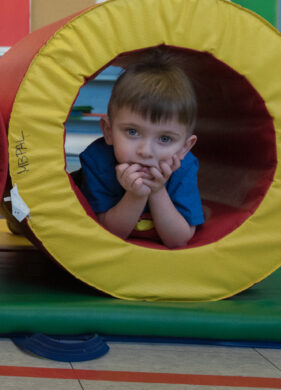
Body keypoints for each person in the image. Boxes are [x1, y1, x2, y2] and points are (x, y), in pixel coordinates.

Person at [78, 51, 203, 248]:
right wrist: (135, 196)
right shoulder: (97, 160)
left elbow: (179, 239)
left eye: (164, 138)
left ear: (184, 148)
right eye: (133, 132)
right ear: (108, 131)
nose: (145, 151)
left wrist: (157, 190)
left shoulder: (184, 166)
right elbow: (108, 234)